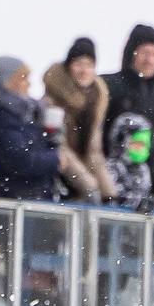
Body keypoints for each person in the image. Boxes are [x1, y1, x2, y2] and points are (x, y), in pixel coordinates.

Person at [0, 56, 61, 201]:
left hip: (27, 196)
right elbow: (20, 160)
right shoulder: (1, 116)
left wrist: (51, 138)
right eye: (23, 77)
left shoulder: (19, 112)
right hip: (18, 199)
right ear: (7, 81)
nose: (29, 84)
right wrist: (55, 160)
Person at [104, 26, 154, 197]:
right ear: (131, 54)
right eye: (144, 52)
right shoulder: (108, 86)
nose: (149, 60)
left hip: (145, 187)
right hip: (108, 183)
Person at [42, 39, 108, 200]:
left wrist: (109, 193)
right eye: (79, 64)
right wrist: (88, 185)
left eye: (89, 65)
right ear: (68, 67)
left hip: (82, 173)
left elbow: (94, 152)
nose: (84, 71)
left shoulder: (96, 100)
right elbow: (59, 147)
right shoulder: (52, 101)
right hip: (59, 178)